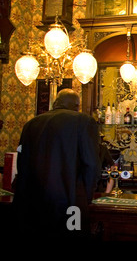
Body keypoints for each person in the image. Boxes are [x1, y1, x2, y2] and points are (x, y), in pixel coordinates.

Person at [12, 89, 101, 241]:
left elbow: (22, 164)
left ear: (55, 103)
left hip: (32, 204)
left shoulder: (30, 124)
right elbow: (91, 164)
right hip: (70, 203)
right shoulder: (83, 121)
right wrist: (86, 197)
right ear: (76, 106)